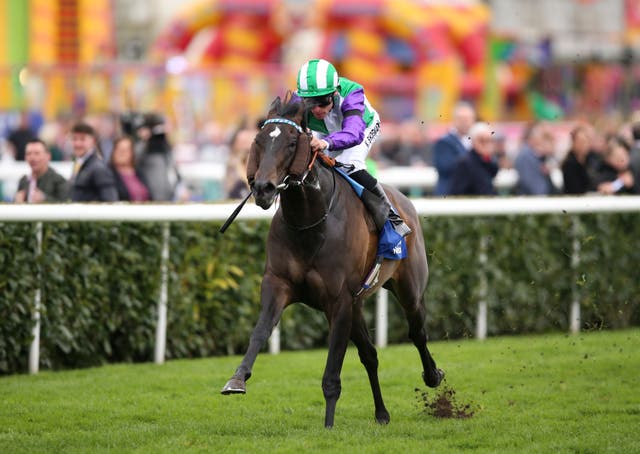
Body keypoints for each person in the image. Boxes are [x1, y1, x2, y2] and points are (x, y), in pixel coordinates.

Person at [295, 58, 411, 236]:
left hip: (362, 126)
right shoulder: (296, 100)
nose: (317, 109)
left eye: (323, 101)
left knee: (349, 163)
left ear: (334, 93)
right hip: (326, 129)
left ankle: (391, 217)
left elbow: (353, 133)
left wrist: (326, 143)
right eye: (311, 102)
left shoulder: (352, 93)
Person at [136, 113, 189, 201]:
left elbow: (173, 170)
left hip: (168, 198)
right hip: (149, 199)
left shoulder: (166, 147)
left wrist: (181, 189)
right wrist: (144, 140)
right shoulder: (142, 147)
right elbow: (134, 160)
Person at [432, 102, 476, 195]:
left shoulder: (475, 140)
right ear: (454, 120)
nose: (465, 122)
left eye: (468, 119)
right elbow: (446, 167)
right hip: (450, 193)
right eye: (461, 119)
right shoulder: (444, 142)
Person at [69, 122, 118, 202]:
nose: (77, 144)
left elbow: (110, 200)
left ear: (93, 141)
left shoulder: (98, 168)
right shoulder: (78, 164)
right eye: (74, 139)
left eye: (82, 139)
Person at [449, 122, 499, 196]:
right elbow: (457, 192)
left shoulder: (488, 160)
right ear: (473, 141)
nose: (486, 144)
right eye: (482, 140)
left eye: (489, 140)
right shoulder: (465, 162)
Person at [514, 122, 559, 195]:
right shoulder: (526, 155)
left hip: (538, 197)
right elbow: (532, 185)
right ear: (533, 137)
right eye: (543, 136)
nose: (544, 141)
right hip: (533, 200)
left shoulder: (539, 155)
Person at [561, 124, 600, 194]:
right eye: (581, 142)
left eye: (586, 141)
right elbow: (575, 189)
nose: (584, 145)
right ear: (573, 142)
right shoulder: (569, 164)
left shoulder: (594, 158)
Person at [109, 136, 150, 201]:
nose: (121, 153)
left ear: (132, 153)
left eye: (125, 150)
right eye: (118, 149)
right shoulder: (108, 174)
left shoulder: (139, 172)